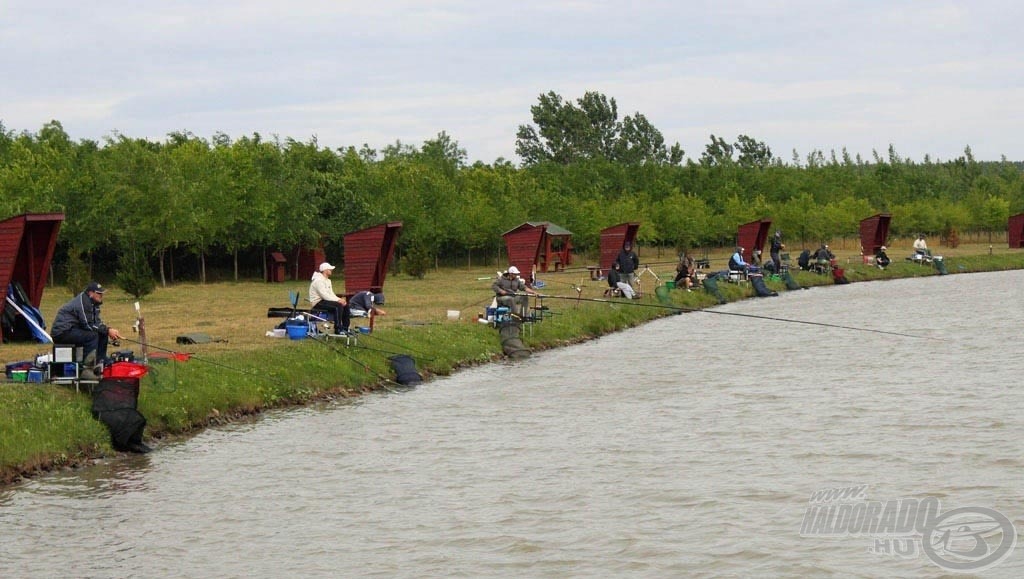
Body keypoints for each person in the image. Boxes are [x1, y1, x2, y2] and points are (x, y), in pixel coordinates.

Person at [51, 282, 124, 381]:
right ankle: (87, 370)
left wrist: (108, 330)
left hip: (74, 329)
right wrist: (108, 330)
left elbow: (97, 323)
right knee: (92, 336)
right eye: (98, 293)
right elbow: (88, 324)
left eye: (102, 293)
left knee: (101, 333)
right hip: (62, 332)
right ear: (90, 293)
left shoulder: (94, 303)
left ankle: (101, 361)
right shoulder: (83, 302)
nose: (101, 295)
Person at [309, 262, 351, 334]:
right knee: (338, 306)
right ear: (325, 270)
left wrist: (340, 300)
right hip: (318, 302)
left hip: (325, 300)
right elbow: (324, 295)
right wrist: (338, 300)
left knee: (346, 306)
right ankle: (338, 329)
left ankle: (345, 328)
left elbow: (331, 294)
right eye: (330, 269)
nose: (331, 270)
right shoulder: (318, 281)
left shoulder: (328, 280)